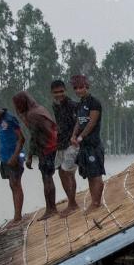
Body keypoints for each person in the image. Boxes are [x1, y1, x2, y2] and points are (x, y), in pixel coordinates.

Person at [11, 90, 59, 220]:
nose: (17, 108)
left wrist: (30, 156)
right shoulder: (40, 109)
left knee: (46, 178)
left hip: (47, 148)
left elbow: (34, 136)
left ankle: (51, 209)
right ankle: (51, 208)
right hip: (53, 145)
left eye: (17, 105)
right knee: (48, 177)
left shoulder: (32, 115)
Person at [66, 74, 105, 214]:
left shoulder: (94, 103)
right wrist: (73, 135)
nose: (78, 90)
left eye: (81, 87)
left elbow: (91, 123)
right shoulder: (80, 104)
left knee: (96, 175)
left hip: (93, 144)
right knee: (89, 174)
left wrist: (81, 137)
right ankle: (94, 201)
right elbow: (79, 121)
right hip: (84, 146)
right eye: (75, 88)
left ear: (86, 87)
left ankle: (96, 203)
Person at [49, 79, 80, 215]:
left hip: (72, 143)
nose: (59, 94)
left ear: (65, 91)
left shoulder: (73, 105)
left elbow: (80, 122)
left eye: (61, 91)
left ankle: (73, 204)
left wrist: (76, 138)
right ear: (52, 93)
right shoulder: (55, 106)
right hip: (60, 143)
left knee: (68, 172)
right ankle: (70, 201)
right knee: (61, 173)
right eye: (56, 92)